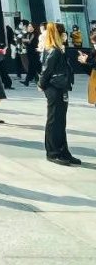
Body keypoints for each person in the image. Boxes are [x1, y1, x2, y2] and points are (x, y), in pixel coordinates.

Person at [39, 23, 79, 165]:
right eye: (63, 33)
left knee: (60, 121)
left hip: (61, 87)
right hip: (55, 87)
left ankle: (63, 151)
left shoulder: (57, 49)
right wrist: (41, 84)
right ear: (58, 34)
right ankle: (53, 152)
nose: (65, 36)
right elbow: (46, 70)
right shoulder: (53, 50)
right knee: (54, 120)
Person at [77, 28, 96, 105]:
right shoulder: (93, 52)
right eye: (93, 44)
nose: (94, 46)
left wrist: (86, 62)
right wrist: (85, 62)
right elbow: (91, 71)